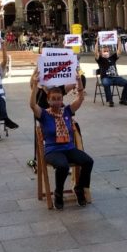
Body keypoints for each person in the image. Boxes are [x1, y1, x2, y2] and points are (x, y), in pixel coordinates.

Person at [29, 71, 92, 210]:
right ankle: (58, 193)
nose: (57, 101)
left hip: (68, 148)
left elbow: (80, 99)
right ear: (49, 100)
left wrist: (79, 82)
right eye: (54, 99)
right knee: (63, 166)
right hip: (52, 150)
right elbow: (33, 105)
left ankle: (79, 188)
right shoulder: (44, 114)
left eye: (59, 99)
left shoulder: (67, 111)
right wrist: (34, 85)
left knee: (88, 161)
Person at [94, 40, 127, 107]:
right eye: (104, 51)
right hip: (106, 78)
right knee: (106, 83)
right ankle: (110, 101)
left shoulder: (112, 58)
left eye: (107, 51)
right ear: (101, 53)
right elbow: (96, 53)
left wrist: (119, 41)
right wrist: (97, 41)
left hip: (115, 77)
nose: (106, 52)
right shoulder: (100, 59)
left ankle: (123, 100)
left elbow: (119, 51)